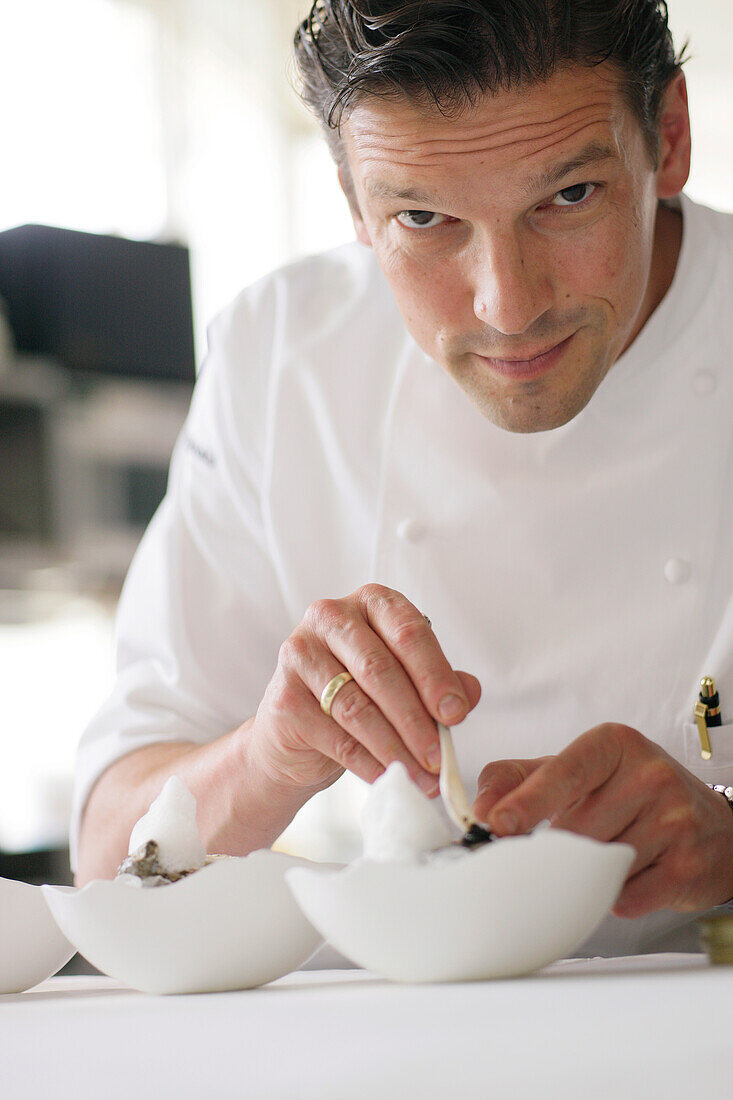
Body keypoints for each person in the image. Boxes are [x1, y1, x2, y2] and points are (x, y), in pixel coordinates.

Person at [73, 0, 733, 954]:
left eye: (568, 197)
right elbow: (107, 861)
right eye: (422, 217)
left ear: (666, 137)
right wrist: (269, 757)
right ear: (351, 202)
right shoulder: (281, 357)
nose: (507, 304)